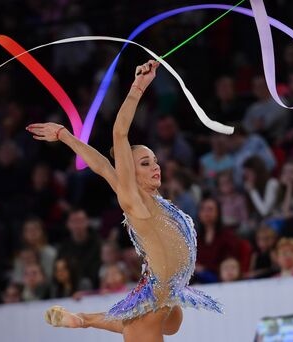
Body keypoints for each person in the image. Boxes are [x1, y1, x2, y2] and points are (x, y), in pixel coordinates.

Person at [28, 60, 223, 340]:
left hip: (169, 296)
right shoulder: (134, 201)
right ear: (131, 170)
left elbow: (103, 167)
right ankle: (84, 319)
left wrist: (64, 135)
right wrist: (138, 86)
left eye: (155, 161)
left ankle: (84, 319)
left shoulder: (157, 202)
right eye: (145, 163)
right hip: (159, 296)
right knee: (136, 326)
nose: (155, 166)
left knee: (168, 325)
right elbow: (119, 133)